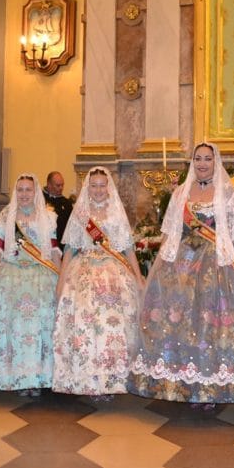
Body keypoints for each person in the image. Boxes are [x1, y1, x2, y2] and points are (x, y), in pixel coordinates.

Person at [128, 143, 234, 406]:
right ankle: (181, 381)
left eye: (208, 159)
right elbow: (170, 231)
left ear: (216, 162)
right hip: (184, 263)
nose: (203, 163)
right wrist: (159, 265)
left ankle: (213, 382)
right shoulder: (181, 192)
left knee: (212, 319)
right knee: (182, 319)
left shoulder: (227, 193)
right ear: (192, 162)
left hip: (219, 264)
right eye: (198, 158)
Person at [53, 167, 145, 399]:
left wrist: (137, 275)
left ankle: (113, 378)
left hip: (113, 273)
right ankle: (87, 377)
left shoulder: (116, 212)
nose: (98, 190)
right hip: (82, 274)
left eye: (102, 185)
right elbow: (70, 250)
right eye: (93, 185)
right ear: (87, 187)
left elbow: (127, 248)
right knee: (85, 324)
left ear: (109, 187)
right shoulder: (80, 214)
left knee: (113, 326)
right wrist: (61, 280)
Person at [0, 174, 61, 397]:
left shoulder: (48, 217)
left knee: (38, 326)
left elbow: (53, 250)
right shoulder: (7, 216)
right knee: (14, 327)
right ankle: (14, 375)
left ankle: (39, 377)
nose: (24, 194)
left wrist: (62, 278)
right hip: (10, 274)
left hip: (40, 276)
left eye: (28, 190)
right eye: (20, 190)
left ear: (36, 192)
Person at [43, 171, 73, 248]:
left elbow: (71, 225)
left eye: (62, 185)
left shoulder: (67, 203)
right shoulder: (39, 199)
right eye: (58, 185)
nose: (61, 188)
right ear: (49, 184)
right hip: (45, 242)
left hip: (62, 244)